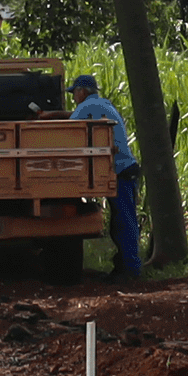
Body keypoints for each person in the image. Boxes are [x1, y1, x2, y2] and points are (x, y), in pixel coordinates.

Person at [67, 73, 140, 276]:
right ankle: (126, 266)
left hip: (120, 170)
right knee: (122, 221)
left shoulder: (87, 107)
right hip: (126, 168)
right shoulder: (104, 104)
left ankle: (131, 269)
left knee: (124, 222)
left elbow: (67, 130)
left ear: (82, 92)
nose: (74, 98)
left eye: (75, 93)